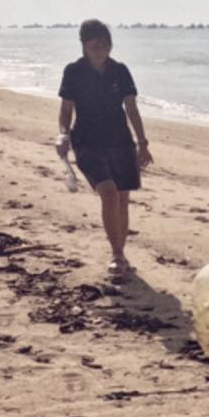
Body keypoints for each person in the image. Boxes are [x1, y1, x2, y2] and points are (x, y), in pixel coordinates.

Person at [56, 19, 152, 282]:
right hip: (87, 142)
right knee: (109, 194)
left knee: (122, 200)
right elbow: (66, 111)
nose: (102, 49)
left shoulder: (120, 71)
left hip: (121, 141)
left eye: (106, 44)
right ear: (84, 45)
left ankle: (121, 253)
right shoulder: (73, 72)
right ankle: (117, 256)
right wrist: (63, 134)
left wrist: (143, 143)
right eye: (96, 44)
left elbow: (131, 109)